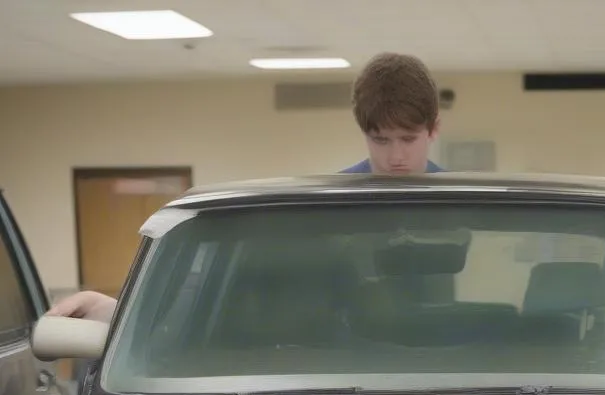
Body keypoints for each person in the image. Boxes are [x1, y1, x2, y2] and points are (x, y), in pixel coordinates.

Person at [48, 50, 445, 324]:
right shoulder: (327, 206)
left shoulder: (467, 201)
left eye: (408, 139)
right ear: (364, 133)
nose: (395, 156)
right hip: (344, 367)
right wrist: (118, 314)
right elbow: (237, 283)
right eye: (381, 139)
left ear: (433, 131)